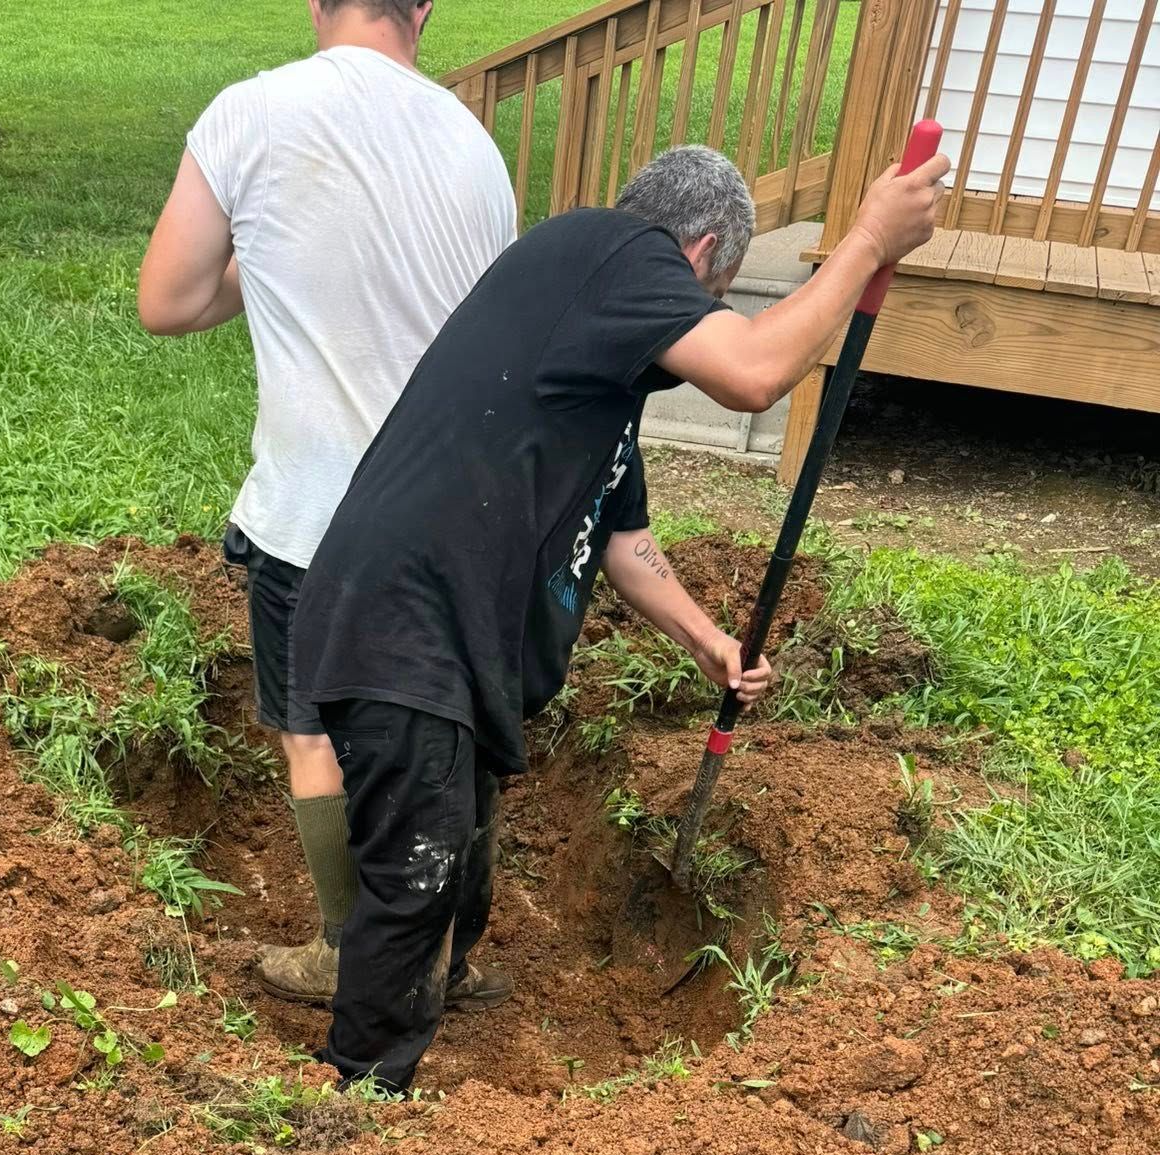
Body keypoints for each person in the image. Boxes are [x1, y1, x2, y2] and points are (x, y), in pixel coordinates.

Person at [292, 139, 950, 1094]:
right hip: (405, 616)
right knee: (416, 869)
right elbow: (754, 372)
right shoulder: (617, 248)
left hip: (451, 634)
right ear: (702, 255)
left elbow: (622, 541)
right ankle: (358, 1091)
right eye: (709, 300)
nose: (697, 321)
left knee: (460, 848)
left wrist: (711, 641)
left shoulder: (597, 371)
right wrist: (868, 242)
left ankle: (442, 976)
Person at [138, 0, 516, 1003]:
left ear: (319, 3)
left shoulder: (250, 115)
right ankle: (451, 951)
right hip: (456, 522)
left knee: (314, 733)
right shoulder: (477, 148)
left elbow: (167, 301)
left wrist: (261, 257)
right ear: (423, 8)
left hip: (314, 516)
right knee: (453, 732)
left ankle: (353, 951)